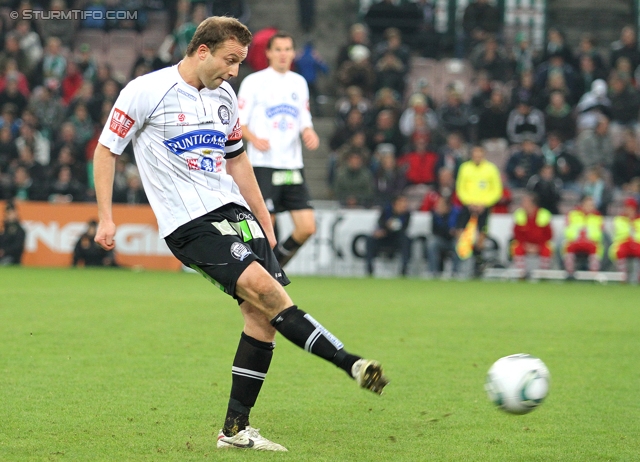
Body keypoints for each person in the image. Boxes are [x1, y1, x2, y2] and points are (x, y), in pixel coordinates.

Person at [93, 17, 388, 453]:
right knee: (265, 292)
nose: (234, 72)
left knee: (261, 319)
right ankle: (350, 363)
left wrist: (262, 214)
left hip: (233, 210)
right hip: (188, 223)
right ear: (202, 51)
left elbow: (237, 161)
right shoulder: (144, 91)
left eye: (239, 63)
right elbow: (105, 150)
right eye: (230, 61)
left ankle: (235, 430)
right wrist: (105, 216)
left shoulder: (225, 97)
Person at [237, 31, 320, 268]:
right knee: (267, 229)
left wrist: (309, 132)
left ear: (293, 53)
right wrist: (253, 138)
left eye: (287, 49)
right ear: (269, 53)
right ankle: (265, 273)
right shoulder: (254, 82)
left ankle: (275, 268)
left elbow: (304, 117)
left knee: (307, 227)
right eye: (278, 49)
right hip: (264, 164)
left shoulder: (299, 82)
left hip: (292, 164)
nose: (283, 54)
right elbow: (238, 123)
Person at [455, 145, 503, 275]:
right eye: (475, 155)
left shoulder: (491, 169)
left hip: (484, 208)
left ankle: (477, 265)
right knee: (461, 234)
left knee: (481, 237)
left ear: (484, 155)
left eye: (479, 155)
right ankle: (460, 264)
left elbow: (497, 190)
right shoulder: (465, 168)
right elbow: (460, 187)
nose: (477, 157)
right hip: (467, 206)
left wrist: (484, 203)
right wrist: (469, 202)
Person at [365, 194, 412, 277]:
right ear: (395, 204)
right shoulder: (386, 211)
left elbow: (404, 228)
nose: (405, 205)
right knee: (370, 239)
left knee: (406, 240)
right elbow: (380, 223)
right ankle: (369, 268)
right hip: (385, 237)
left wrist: (389, 228)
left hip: (397, 238)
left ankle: (404, 270)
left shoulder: (407, 214)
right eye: (402, 202)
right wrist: (386, 228)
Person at [562, 195, 604, 278]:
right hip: (575, 240)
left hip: (591, 241)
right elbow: (568, 230)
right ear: (582, 204)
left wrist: (588, 235)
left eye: (592, 205)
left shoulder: (597, 217)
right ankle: (570, 273)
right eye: (588, 204)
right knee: (568, 246)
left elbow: (599, 233)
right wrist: (578, 235)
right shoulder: (573, 214)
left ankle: (593, 274)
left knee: (596, 248)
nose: (590, 207)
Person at [510, 192, 553, 274]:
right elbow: (517, 234)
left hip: (539, 244)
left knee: (547, 249)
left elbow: (548, 235)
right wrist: (526, 245)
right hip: (524, 244)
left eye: (525, 202)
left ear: (533, 203)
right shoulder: (519, 214)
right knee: (516, 247)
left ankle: (543, 274)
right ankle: (520, 273)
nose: (522, 204)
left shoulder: (543, 214)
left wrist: (537, 246)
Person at [427, 195, 460, 277]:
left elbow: (458, 230)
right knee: (432, 243)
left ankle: (455, 272)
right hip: (441, 240)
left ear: (447, 206)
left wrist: (453, 232)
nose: (437, 207)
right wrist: (448, 231)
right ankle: (433, 271)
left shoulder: (456, 213)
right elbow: (434, 231)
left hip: (453, 240)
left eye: (440, 205)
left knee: (459, 244)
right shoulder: (436, 215)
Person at [609, 197, 640, 283]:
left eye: (631, 208)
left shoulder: (638, 220)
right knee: (620, 251)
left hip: (636, 243)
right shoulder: (619, 219)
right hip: (623, 243)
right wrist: (631, 225)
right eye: (627, 208)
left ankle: (637, 277)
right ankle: (622, 277)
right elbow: (621, 233)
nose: (629, 210)